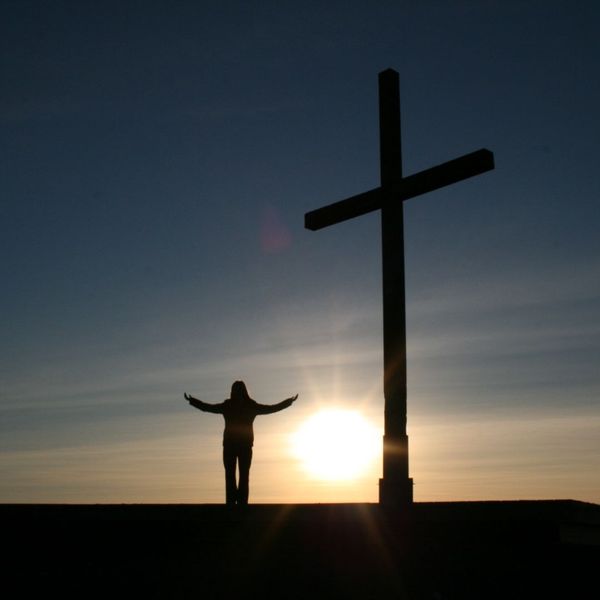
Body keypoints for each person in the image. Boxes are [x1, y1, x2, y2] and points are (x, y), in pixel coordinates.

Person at [184, 380, 298, 505]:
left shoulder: (242, 406)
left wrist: (288, 402)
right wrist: (192, 401)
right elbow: (209, 407)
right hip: (235, 446)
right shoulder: (238, 406)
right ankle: (236, 504)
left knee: (238, 476)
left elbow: (271, 409)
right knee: (236, 476)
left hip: (238, 446)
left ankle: (237, 504)